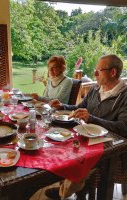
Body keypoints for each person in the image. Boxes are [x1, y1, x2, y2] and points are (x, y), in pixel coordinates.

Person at [46, 54, 127, 199]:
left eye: (98, 70)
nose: (94, 73)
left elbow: (123, 127)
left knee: (77, 159)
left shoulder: (124, 96)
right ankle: (73, 188)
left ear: (113, 72)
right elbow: (79, 108)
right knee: (59, 143)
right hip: (87, 137)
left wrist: (91, 118)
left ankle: (64, 192)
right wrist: (62, 106)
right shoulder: (96, 89)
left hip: (110, 147)